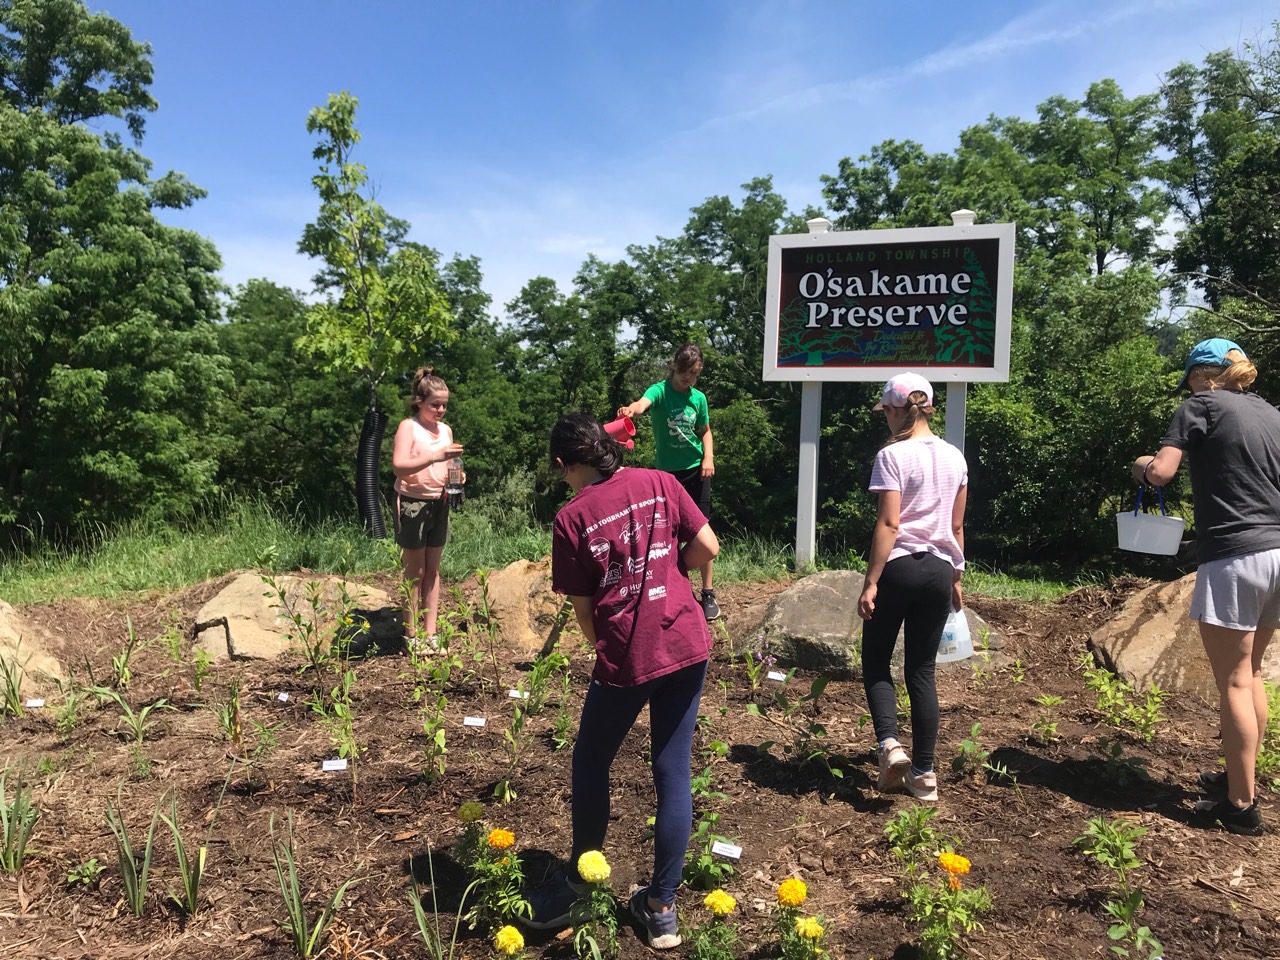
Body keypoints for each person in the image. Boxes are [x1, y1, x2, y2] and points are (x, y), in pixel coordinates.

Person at [523, 413, 719, 949]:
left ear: (566, 465)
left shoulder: (572, 518)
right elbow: (709, 548)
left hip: (630, 656)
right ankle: (661, 909)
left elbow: (585, 611)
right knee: (672, 771)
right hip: (686, 640)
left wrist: (607, 644)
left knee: (590, 760)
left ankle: (579, 886)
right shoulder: (660, 480)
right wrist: (667, 575)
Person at [1131, 338, 1280, 836]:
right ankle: (1241, 780)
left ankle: (1240, 808)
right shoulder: (1269, 413)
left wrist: (1142, 466)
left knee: (1235, 679)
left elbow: (1163, 473)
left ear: (1200, 374)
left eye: (1190, 377)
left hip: (1235, 553)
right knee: (1252, 672)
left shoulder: (1200, 406)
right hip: (1278, 551)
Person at [857, 373, 968, 803]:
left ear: (898, 409)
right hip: (940, 570)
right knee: (921, 671)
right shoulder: (955, 457)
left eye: (885, 409)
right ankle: (924, 775)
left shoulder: (892, 456)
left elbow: (889, 523)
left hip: (900, 568)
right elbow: (956, 526)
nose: (884, 417)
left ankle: (890, 745)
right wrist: (957, 577)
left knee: (876, 661)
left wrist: (871, 582)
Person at [617, 342, 719, 621]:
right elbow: (642, 404)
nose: (689, 378)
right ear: (674, 366)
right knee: (667, 532)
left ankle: (708, 591)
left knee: (703, 530)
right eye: (685, 371)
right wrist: (631, 410)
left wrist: (708, 457)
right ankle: (670, 584)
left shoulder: (698, 398)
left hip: (696, 470)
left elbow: (705, 431)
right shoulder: (660, 391)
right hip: (666, 475)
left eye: (695, 373)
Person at [390, 368, 463, 649]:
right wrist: (436, 456)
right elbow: (399, 466)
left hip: (439, 500)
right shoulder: (409, 427)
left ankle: (430, 633)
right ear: (419, 401)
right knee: (415, 572)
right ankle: (411, 635)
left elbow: (450, 464)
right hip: (412, 501)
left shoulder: (445, 430)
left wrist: (457, 477)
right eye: (435, 404)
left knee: (433, 570)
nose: (441, 410)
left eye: (444, 404)